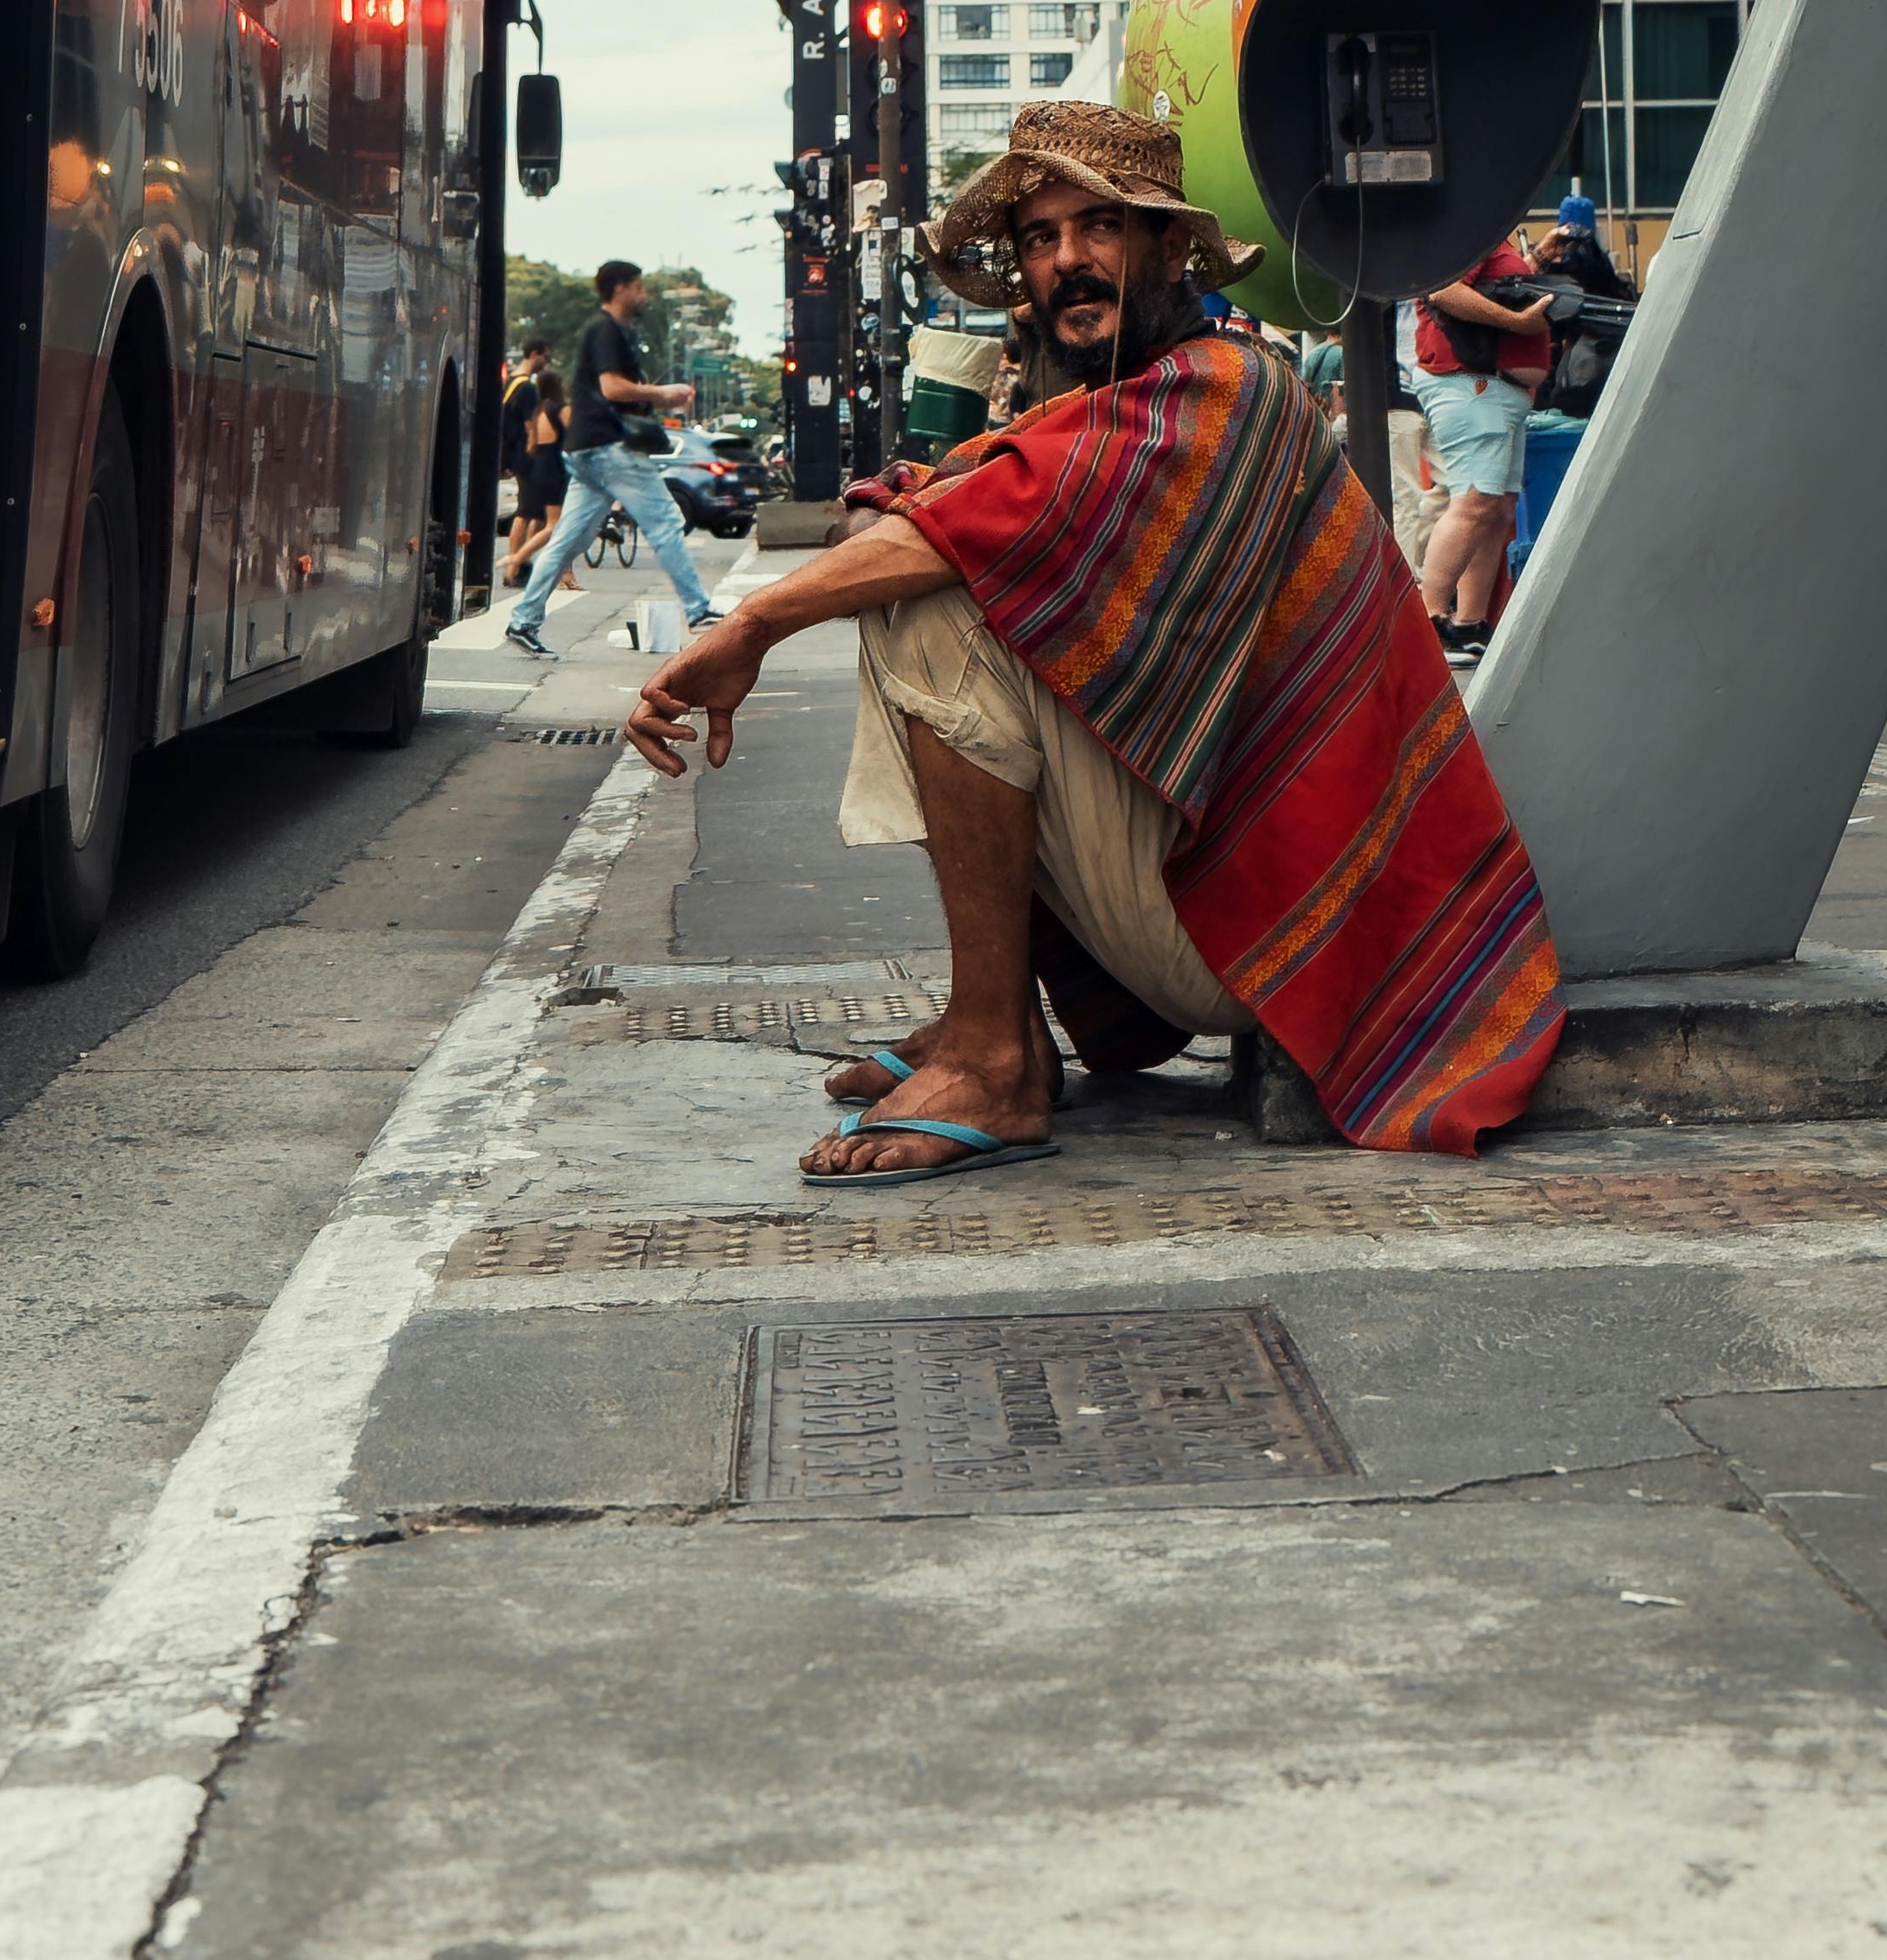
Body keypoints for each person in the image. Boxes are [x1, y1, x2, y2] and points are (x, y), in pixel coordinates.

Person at [623, 102, 1564, 1185]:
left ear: (1170, 248)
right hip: (1209, 901)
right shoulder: (1106, 405)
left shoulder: (1231, 389)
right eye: (1038, 237)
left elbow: (957, 522)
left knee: (937, 600)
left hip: (1286, 934)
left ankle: (996, 1058)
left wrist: (750, 623)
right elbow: (920, 502)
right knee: (923, 571)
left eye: (1099, 227)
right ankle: (994, 1015)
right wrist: (897, 525)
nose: (1066, 259)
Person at [505, 260, 723, 659]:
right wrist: (664, 393)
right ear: (620, 288)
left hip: (587, 450)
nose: (644, 295)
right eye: (639, 287)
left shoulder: (612, 332)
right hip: (609, 448)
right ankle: (699, 609)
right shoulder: (606, 330)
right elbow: (611, 388)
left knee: (569, 538)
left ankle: (524, 619)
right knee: (667, 521)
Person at [1411, 240, 1555, 665]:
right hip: (1471, 384)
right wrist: (1516, 322)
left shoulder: (1490, 235)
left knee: (1494, 508)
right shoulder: (1476, 230)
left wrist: (1537, 263)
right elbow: (1444, 291)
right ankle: (1430, 621)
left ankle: (1468, 625)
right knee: (1475, 503)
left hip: (1491, 388)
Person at [504, 371, 576, 589]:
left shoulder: (537, 411)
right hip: (554, 466)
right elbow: (578, 436)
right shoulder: (561, 410)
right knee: (555, 524)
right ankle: (531, 564)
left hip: (536, 465)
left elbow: (531, 444)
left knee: (527, 514)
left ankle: (515, 567)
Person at [498, 337, 552, 584]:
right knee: (528, 512)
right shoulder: (527, 388)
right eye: (546, 357)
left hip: (514, 454)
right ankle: (515, 564)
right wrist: (538, 453)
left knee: (534, 512)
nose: (547, 363)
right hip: (528, 456)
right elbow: (531, 427)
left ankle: (519, 561)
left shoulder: (510, 383)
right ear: (534, 354)